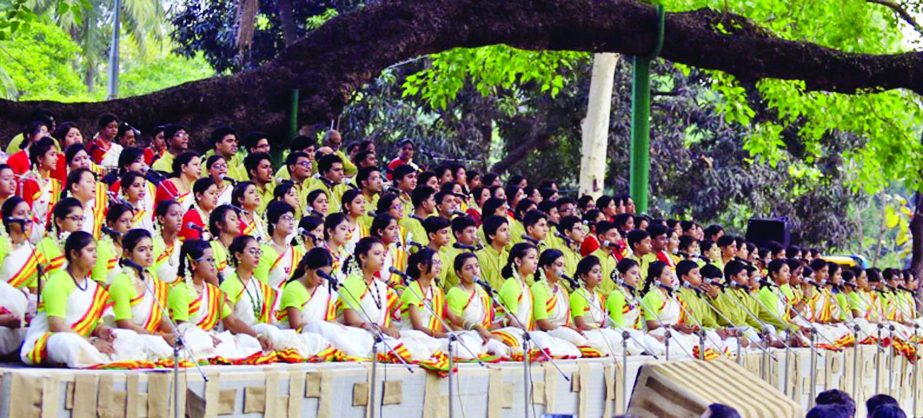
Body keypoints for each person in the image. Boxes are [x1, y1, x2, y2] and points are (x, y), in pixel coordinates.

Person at [21, 232, 139, 367]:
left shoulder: (93, 287)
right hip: (51, 338)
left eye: (95, 250)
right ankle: (105, 358)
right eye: (89, 251)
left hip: (86, 339)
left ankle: (100, 358)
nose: (95, 255)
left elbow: (96, 324)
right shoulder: (57, 282)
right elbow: (56, 325)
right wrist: (91, 342)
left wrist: (102, 331)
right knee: (71, 343)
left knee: (130, 338)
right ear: (74, 254)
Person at [221, 235, 331, 359]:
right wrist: (256, 335)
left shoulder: (258, 285)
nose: (257, 255)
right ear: (238, 256)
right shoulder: (229, 285)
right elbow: (230, 323)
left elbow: (266, 318)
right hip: (241, 335)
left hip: (260, 333)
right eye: (252, 251)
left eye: (259, 252)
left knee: (299, 338)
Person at [167, 239, 272, 361]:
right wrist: (205, 338)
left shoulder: (213, 291)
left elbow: (232, 320)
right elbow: (183, 327)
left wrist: (257, 336)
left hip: (212, 339)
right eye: (209, 260)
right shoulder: (180, 290)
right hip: (192, 341)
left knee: (246, 343)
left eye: (213, 260)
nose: (213, 264)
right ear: (194, 264)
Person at [338, 237, 437, 362]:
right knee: (414, 351)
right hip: (359, 334)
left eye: (384, 254)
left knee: (423, 341)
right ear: (363, 257)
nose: (383, 258)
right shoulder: (352, 283)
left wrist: (392, 330)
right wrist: (383, 329)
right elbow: (351, 320)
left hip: (378, 333)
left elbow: (386, 317)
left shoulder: (381, 286)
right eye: (377, 254)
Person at [495, 243, 580, 358]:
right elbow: (512, 320)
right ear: (518, 261)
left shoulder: (525, 287)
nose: (536, 262)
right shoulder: (512, 285)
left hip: (524, 332)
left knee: (570, 349)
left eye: (536, 258)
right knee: (544, 341)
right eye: (531, 258)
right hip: (512, 332)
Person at [106, 229, 175, 359]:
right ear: (128, 253)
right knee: (160, 348)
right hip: (130, 339)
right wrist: (162, 337)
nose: (149, 254)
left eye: (151, 248)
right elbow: (125, 325)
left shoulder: (153, 279)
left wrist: (174, 333)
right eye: (142, 250)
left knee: (189, 335)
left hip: (153, 337)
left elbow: (162, 319)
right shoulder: (121, 282)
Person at [445, 252, 510, 358]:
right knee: (500, 349)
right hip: (466, 337)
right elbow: (453, 325)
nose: (475, 271)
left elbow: (486, 326)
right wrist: (477, 336)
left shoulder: (482, 291)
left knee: (511, 341)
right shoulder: (455, 293)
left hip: (482, 335)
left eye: (477, 266)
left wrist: (504, 323)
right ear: (459, 273)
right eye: (468, 268)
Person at [640, 261, 700, 358]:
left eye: (672, 274)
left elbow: (678, 322)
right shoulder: (651, 296)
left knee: (697, 340)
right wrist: (676, 327)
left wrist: (689, 328)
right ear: (657, 279)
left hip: (673, 331)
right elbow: (651, 325)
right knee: (681, 344)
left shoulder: (672, 297)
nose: (672, 277)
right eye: (667, 274)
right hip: (658, 333)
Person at [605, 258, 664, 355]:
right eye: (633, 273)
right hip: (618, 335)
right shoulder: (616, 295)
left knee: (658, 347)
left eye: (638, 274)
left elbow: (638, 327)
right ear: (622, 275)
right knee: (640, 345)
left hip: (634, 334)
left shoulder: (635, 298)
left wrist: (650, 336)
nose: (637, 277)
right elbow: (617, 326)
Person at [569, 255, 624, 356]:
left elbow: (603, 322)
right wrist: (599, 331)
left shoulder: (600, 297)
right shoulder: (577, 295)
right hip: (586, 333)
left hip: (599, 331)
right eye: (595, 272)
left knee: (619, 338)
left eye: (600, 272)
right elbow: (580, 325)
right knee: (604, 340)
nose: (599, 275)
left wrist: (603, 330)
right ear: (583, 276)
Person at [254, 201, 303, 289]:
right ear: (273, 222)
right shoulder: (263, 251)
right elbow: (261, 287)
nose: (291, 222)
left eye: (292, 219)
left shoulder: (296, 253)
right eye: (286, 218)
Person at [0, 197, 39, 293]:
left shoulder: (32, 250)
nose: (27, 218)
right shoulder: (2, 244)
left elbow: (34, 289)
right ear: (9, 220)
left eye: (29, 213)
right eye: (21, 213)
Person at [90, 203, 132, 285]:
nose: (129, 225)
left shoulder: (133, 246)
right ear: (111, 224)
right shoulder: (102, 247)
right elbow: (98, 283)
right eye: (123, 221)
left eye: (131, 221)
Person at [476, 215, 511, 291]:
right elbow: (481, 287)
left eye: (508, 230)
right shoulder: (481, 256)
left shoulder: (508, 256)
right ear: (491, 235)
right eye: (503, 230)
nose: (508, 234)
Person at [153, 200, 183, 285]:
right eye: (174, 214)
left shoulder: (181, 246)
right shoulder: (151, 246)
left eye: (181, 214)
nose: (179, 219)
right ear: (161, 219)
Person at [208, 205, 240, 278]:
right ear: (219, 224)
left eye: (237, 219)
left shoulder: (235, 248)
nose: (238, 222)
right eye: (232, 219)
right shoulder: (212, 247)